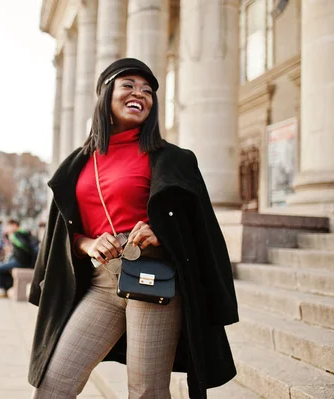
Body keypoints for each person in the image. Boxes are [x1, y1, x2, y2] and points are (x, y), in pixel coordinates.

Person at [28, 58, 239, 399]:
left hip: (152, 278)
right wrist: (88, 245)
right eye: (128, 85)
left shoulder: (171, 159)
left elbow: (198, 226)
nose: (139, 93)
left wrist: (162, 232)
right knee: (54, 384)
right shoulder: (78, 163)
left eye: (148, 90)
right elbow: (68, 231)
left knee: (146, 392)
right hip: (101, 284)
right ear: (106, 95)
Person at [0, 219, 38, 298]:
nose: (7, 228)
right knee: (3, 265)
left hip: (22, 261)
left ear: (14, 225)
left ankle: (2, 290)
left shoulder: (15, 235)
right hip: (26, 260)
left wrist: (12, 238)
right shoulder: (24, 232)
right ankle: (6, 287)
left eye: (8, 226)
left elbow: (24, 246)